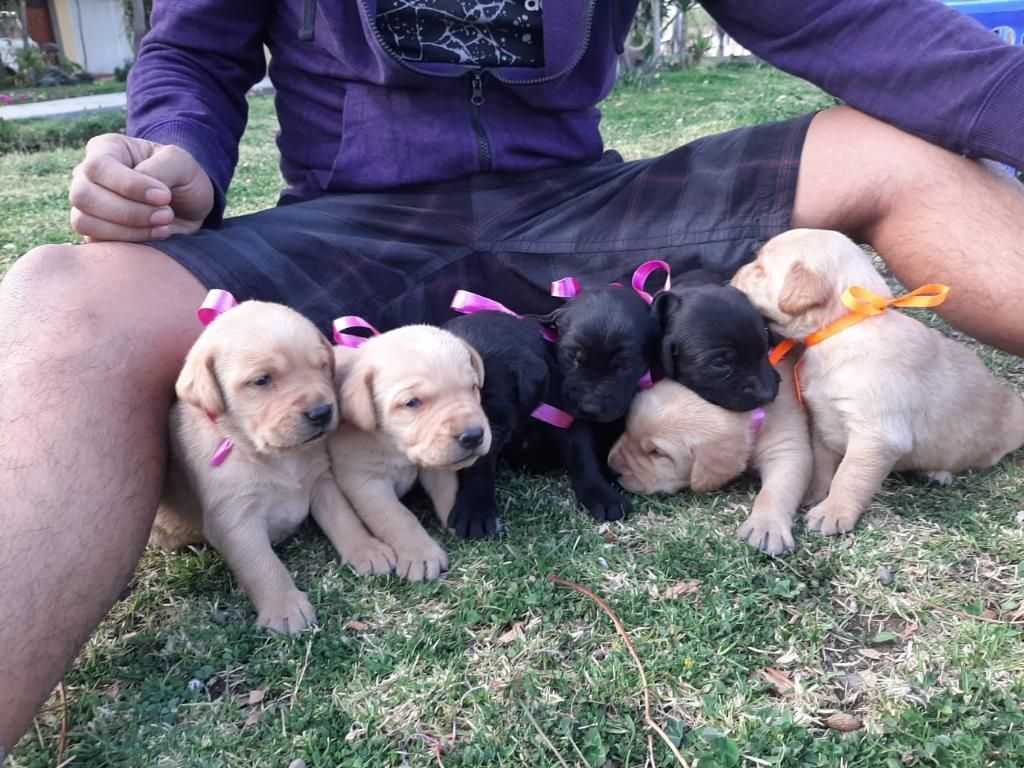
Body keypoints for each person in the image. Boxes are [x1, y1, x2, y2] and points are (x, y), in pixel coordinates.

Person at [1, 0, 1022, 755]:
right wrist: (177, 153)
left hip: (581, 201)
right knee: (59, 298)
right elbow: (193, 46)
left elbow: (852, 19)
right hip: (353, 221)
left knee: (889, 149)